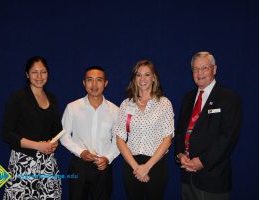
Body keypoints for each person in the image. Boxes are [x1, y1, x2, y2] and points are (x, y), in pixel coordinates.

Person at [175, 51, 242, 200]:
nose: (200, 73)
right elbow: (180, 131)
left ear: (214, 69)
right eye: (196, 69)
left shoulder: (228, 98)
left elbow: (228, 138)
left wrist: (203, 161)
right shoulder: (188, 97)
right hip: (187, 176)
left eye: (204, 68)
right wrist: (180, 154)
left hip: (213, 178)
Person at [112, 60, 174, 200]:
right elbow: (120, 139)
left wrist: (147, 167)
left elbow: (167, 139)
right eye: (138, 75)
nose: (142, 79)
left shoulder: (164, 103)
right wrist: (136, 167)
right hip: (131, 164)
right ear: (134, 78)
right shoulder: (126, 104)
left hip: (156, 164)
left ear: (154, 77)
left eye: (147, 74)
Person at [2, 56, 62, 200]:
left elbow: (57, 130)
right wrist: (37, 146)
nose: (39, 76)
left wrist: (54, 144)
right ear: (27, 74)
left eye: (43, 72)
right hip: (23, 163)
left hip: (47, 164)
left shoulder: (52, 98)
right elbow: (6, 134)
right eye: (35, 72)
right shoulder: (18, 97)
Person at [60, 66, 119, 200]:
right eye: (89, 80)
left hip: (103, 166)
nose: (94, 85)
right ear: (84, 83)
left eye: (99, 80)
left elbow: (118, 140)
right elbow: (64, 135)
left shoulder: (115, 110)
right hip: (78, 165)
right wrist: (81, 152)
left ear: (105, 83)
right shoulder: (72, 107)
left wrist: (108, 158)